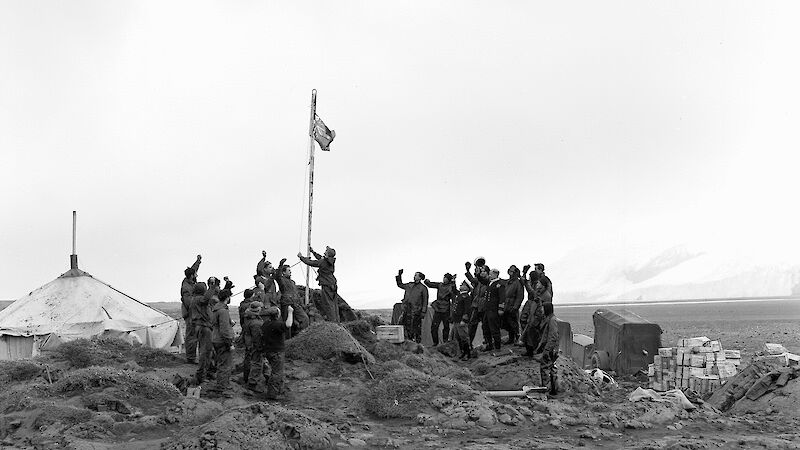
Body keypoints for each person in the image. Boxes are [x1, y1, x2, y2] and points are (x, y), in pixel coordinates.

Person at [297, 246, 339, 322]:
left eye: (326, 251)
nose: (325, 251)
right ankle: (336, 322)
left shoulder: (323, 262)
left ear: (328, 254)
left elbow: (311, 262)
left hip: (327, 285)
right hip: (333, 284)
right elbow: (320, 258)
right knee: (334, 304)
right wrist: (313, 252)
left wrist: (301, 257)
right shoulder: (330, 261)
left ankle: (332, 322)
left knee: (328, 304)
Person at [261, 305, 294, 400]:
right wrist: (290, 312)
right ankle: (272, 394)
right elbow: (288, 324)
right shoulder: (276, 325)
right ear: (277, 315)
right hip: (277, 352)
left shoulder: (265, 324)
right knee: (276, 373)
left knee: (276, 371)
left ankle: (279, 390)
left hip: (269, 351)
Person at [275, 258, 310, 337]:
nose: (290, 272)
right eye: (288, 270)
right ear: (283, 272)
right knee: (287, 323)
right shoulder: (281, 280)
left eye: (290, 270)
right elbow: (277, 276)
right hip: (287, 304)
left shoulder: (293, 282)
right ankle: (287, 341)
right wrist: (280, 265)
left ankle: (302, 337)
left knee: (305, 318)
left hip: (296, 303)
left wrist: (302, 305)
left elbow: (297, 294)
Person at [210, 288, 234, 397]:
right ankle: (222, 387)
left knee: (220, 363)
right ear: (227, 298)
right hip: (222, 341)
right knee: (225, 364)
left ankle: (221, 385)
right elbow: (224, 330)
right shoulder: (223, 311)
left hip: (215, 338)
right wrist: (230, 343)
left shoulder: (216, 309)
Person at [395, 269, 429, 343]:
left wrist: (423, 312)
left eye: (416, 275)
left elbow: (425, 301)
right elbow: (400, 284)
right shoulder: (409, 285)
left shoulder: (423, 288)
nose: (414, 276)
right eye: (414, 275)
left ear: (420, 278)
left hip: (416, 311)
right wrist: (399, 275)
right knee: (402, 325)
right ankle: (405, 341)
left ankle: (417, 343)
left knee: (415, 328)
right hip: (406, 309)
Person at [190, 282, 214, 385]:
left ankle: (203, 374)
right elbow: (206, 299)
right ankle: (202, 377)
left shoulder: (194, 299)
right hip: (204, 327)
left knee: (205, 352)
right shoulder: (199, 299)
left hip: (201, 327)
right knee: (205, 352)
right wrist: (212, 287)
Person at [534, 302, 559, 395]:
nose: (541, 310)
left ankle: (546, 391)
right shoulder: (550, 319)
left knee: (545, 369)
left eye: (543, 308)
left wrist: (547, 350)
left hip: (550, 349)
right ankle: (554, 391)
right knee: (552, 369)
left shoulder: (552, 320)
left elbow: (553, 336)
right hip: (552, 349)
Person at [424, 273, 456, 346]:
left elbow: (454, 297)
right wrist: (426, 281)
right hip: (438, 308)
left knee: (446, 326)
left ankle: (445, 341)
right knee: (434, 326)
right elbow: (430, 284)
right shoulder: (440, 285)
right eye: (444, 277)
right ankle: (435, 342)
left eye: (446, 278)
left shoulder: (451, 287)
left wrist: (452, 312)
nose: (444, 279)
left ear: (449, 280)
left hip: (446, 309)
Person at [180, 254, 201, 364]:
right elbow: (189, 303)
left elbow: (193, 270)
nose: (197, 274)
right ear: (192, 276)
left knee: (194, 335)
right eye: (195, 274)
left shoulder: (189, 281)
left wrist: (198, 261)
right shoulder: (186, 287)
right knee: (191, 335)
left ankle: (192, 356)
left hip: (194, 313)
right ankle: (191, 358)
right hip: (190, 314)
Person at [464, 261, 490, 348]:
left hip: (484, 306)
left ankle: (487, 342)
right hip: (476, 305)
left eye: (484, 271)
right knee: (472, 325)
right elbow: (471, 279)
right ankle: (469, 343)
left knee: (485, 325)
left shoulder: (489, 280)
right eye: (481, 271)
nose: (482, 272)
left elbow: (482, 280)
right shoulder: (478, 281)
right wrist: (468, 270)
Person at [242, 301, 265, 392]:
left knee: (248, 360)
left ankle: (246, 377)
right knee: (257, 363)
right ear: (258, 309)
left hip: (248, 343)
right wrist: (260, 347)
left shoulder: (247, 317)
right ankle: (252, 383)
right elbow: (257, 337)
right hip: (254, 344)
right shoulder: (256, 323)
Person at [501, 265, 524, 345]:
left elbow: (520, 296)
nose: (510, 273)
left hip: (513, 305)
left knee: (514, 323)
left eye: (512, 271)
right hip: (506, 305)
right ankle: (511, 339)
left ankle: (517, 338)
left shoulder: (518, 283)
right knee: (508, 323)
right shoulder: (508, 282)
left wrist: (515, 307)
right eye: (509, 271)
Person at [484, 268, 504, 351]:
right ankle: (489, 345)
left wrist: (500, 308)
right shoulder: (490, 283)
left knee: (494, 328)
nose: (489, 275)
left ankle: (497, 347)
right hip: (487, 309)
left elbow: (502, 297)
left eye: (491, 274)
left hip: (494, 309)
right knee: (485, 327)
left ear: (495, 274)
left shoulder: (499, 284)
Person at [452, 281, 473, 360]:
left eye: (463, 285)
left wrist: (464, 320)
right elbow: (454, 290)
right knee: (458, 337)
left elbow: (467, 310)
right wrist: (453, 282)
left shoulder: (467, 297)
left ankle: (468, 353)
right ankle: (463, 352)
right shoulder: (460, 295)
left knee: (464, 337)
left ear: (467, 288)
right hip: (456, 319)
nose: (461, 286)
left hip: (461, 320)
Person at [238, 288, 255, 384]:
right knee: (252, 355)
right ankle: (249, 378)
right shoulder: (250, 305)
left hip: (245, 329)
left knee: (247, 354)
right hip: (250, 331)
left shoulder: (241, 305)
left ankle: (245, 376)